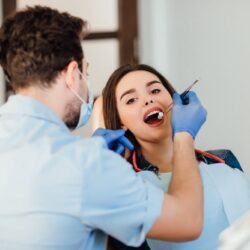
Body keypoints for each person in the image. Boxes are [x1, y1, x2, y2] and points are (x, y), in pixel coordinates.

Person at [0, 6, 207, 250]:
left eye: (154, 90)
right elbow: (188, 221)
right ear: (72, 74)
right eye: (86, 74)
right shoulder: (86, 164)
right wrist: (184, 135)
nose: (148, 100)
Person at [101, 64, 250, 250]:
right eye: (131, 100)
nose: (147, 100)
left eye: (155, 90)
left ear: (175, 100)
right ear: (120, 121)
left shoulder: (223, 160)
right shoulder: (124, 188)